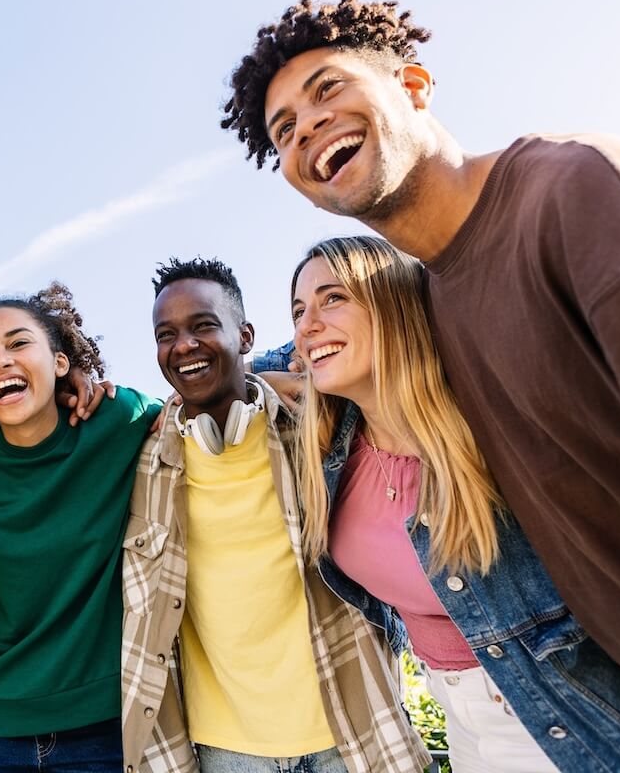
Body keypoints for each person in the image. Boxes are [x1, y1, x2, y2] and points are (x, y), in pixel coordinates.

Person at [223, 0, 620, 738]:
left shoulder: (573, 194)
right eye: (285, 129)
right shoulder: (429, 305)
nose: (308, 128)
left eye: (328, 88)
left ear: (415, 85)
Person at [282, 234, 620, 771]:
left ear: (392, 303)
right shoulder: (329, 445)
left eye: (333, 298)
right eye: (298, 310)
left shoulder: (488, 427)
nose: (306, 326)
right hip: (455, 714)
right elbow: (235, 362)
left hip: (553, 707)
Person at [122, 257, 428, 773]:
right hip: (225, 751)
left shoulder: (317, 424)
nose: (184, 346)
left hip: (350, 732)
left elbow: (362, 348)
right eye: (166, 334)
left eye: (203, 326)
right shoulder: (143, 456)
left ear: (244, 335)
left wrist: (271, 374)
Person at [0, 282, 160, 773]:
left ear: (61, 364)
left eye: (19, 344)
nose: (0, 360)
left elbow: (202, 402)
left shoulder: (116, 419)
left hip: (103, 730)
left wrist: (270, 376)